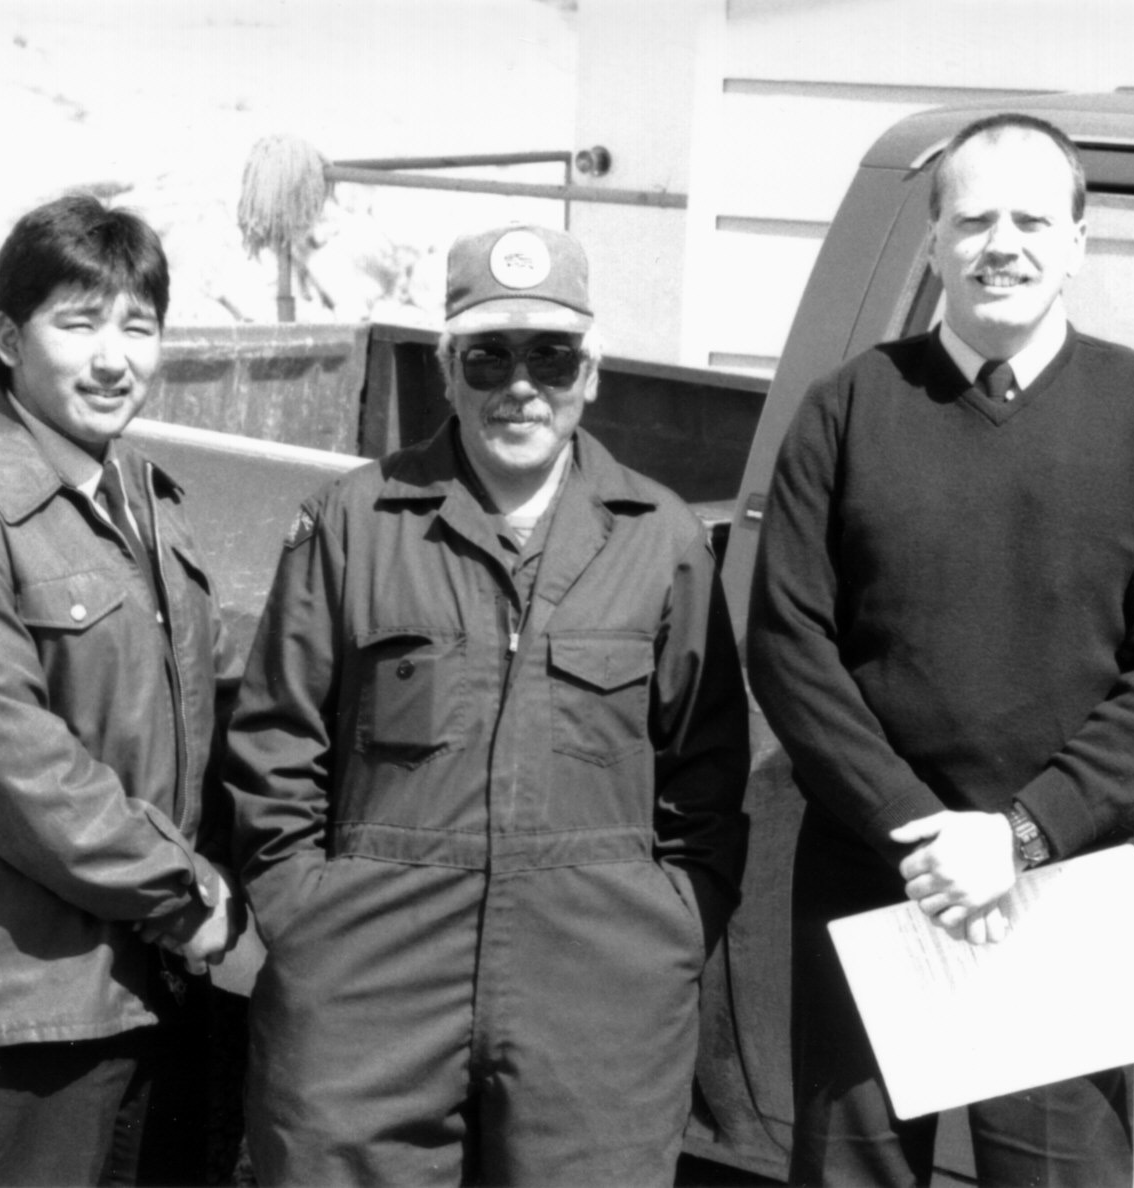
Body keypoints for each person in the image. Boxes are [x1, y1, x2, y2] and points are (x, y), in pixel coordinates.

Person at [747, 113, 1134, 1186]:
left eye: (1030, 219)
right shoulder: (849, 410)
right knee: (853, 1172)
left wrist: (1020, 835)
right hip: (879, 873)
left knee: (1059, 1175)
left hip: (1062, 882)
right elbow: (790, 645)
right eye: (972, 219)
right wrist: (920, 833)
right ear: (933, 243)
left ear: (1077, 243)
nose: (999, 243)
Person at [225, 223, 750, 1186]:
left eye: (550, 357)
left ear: (591, 373)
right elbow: (274, 741)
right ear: (445, 370)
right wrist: (307, 917)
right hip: (370, 978)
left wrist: (672, 921)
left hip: (597, 987)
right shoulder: (354, 521)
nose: (520, 386)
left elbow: (705, 770)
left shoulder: (660, 538)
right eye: (488, 355)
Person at [0, 194, 241, 1187]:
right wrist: (191, 901)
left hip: (144, 985)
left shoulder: (141, 503)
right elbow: (15, 769)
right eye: (79, 323)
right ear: (7, 338)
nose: (113, 357)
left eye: (139, 326)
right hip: (28, 990)